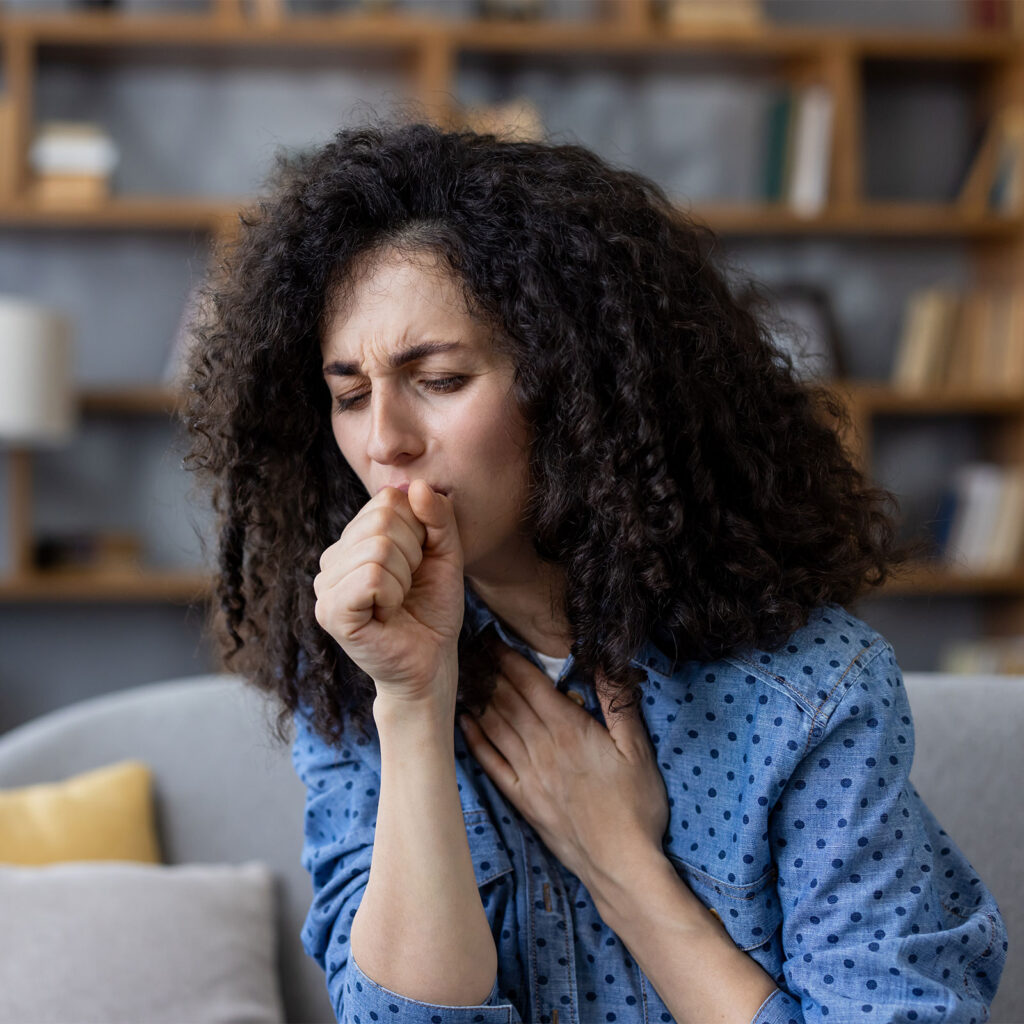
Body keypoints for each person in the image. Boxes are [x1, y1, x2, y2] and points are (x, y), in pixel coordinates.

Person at [182, 118, 1008, 1024]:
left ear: (575, 387)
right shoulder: (352, 677)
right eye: (349, 394)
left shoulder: (809, 693)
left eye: (441, 380)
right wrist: (412, 708)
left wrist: (624, 872)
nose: (385, 441)